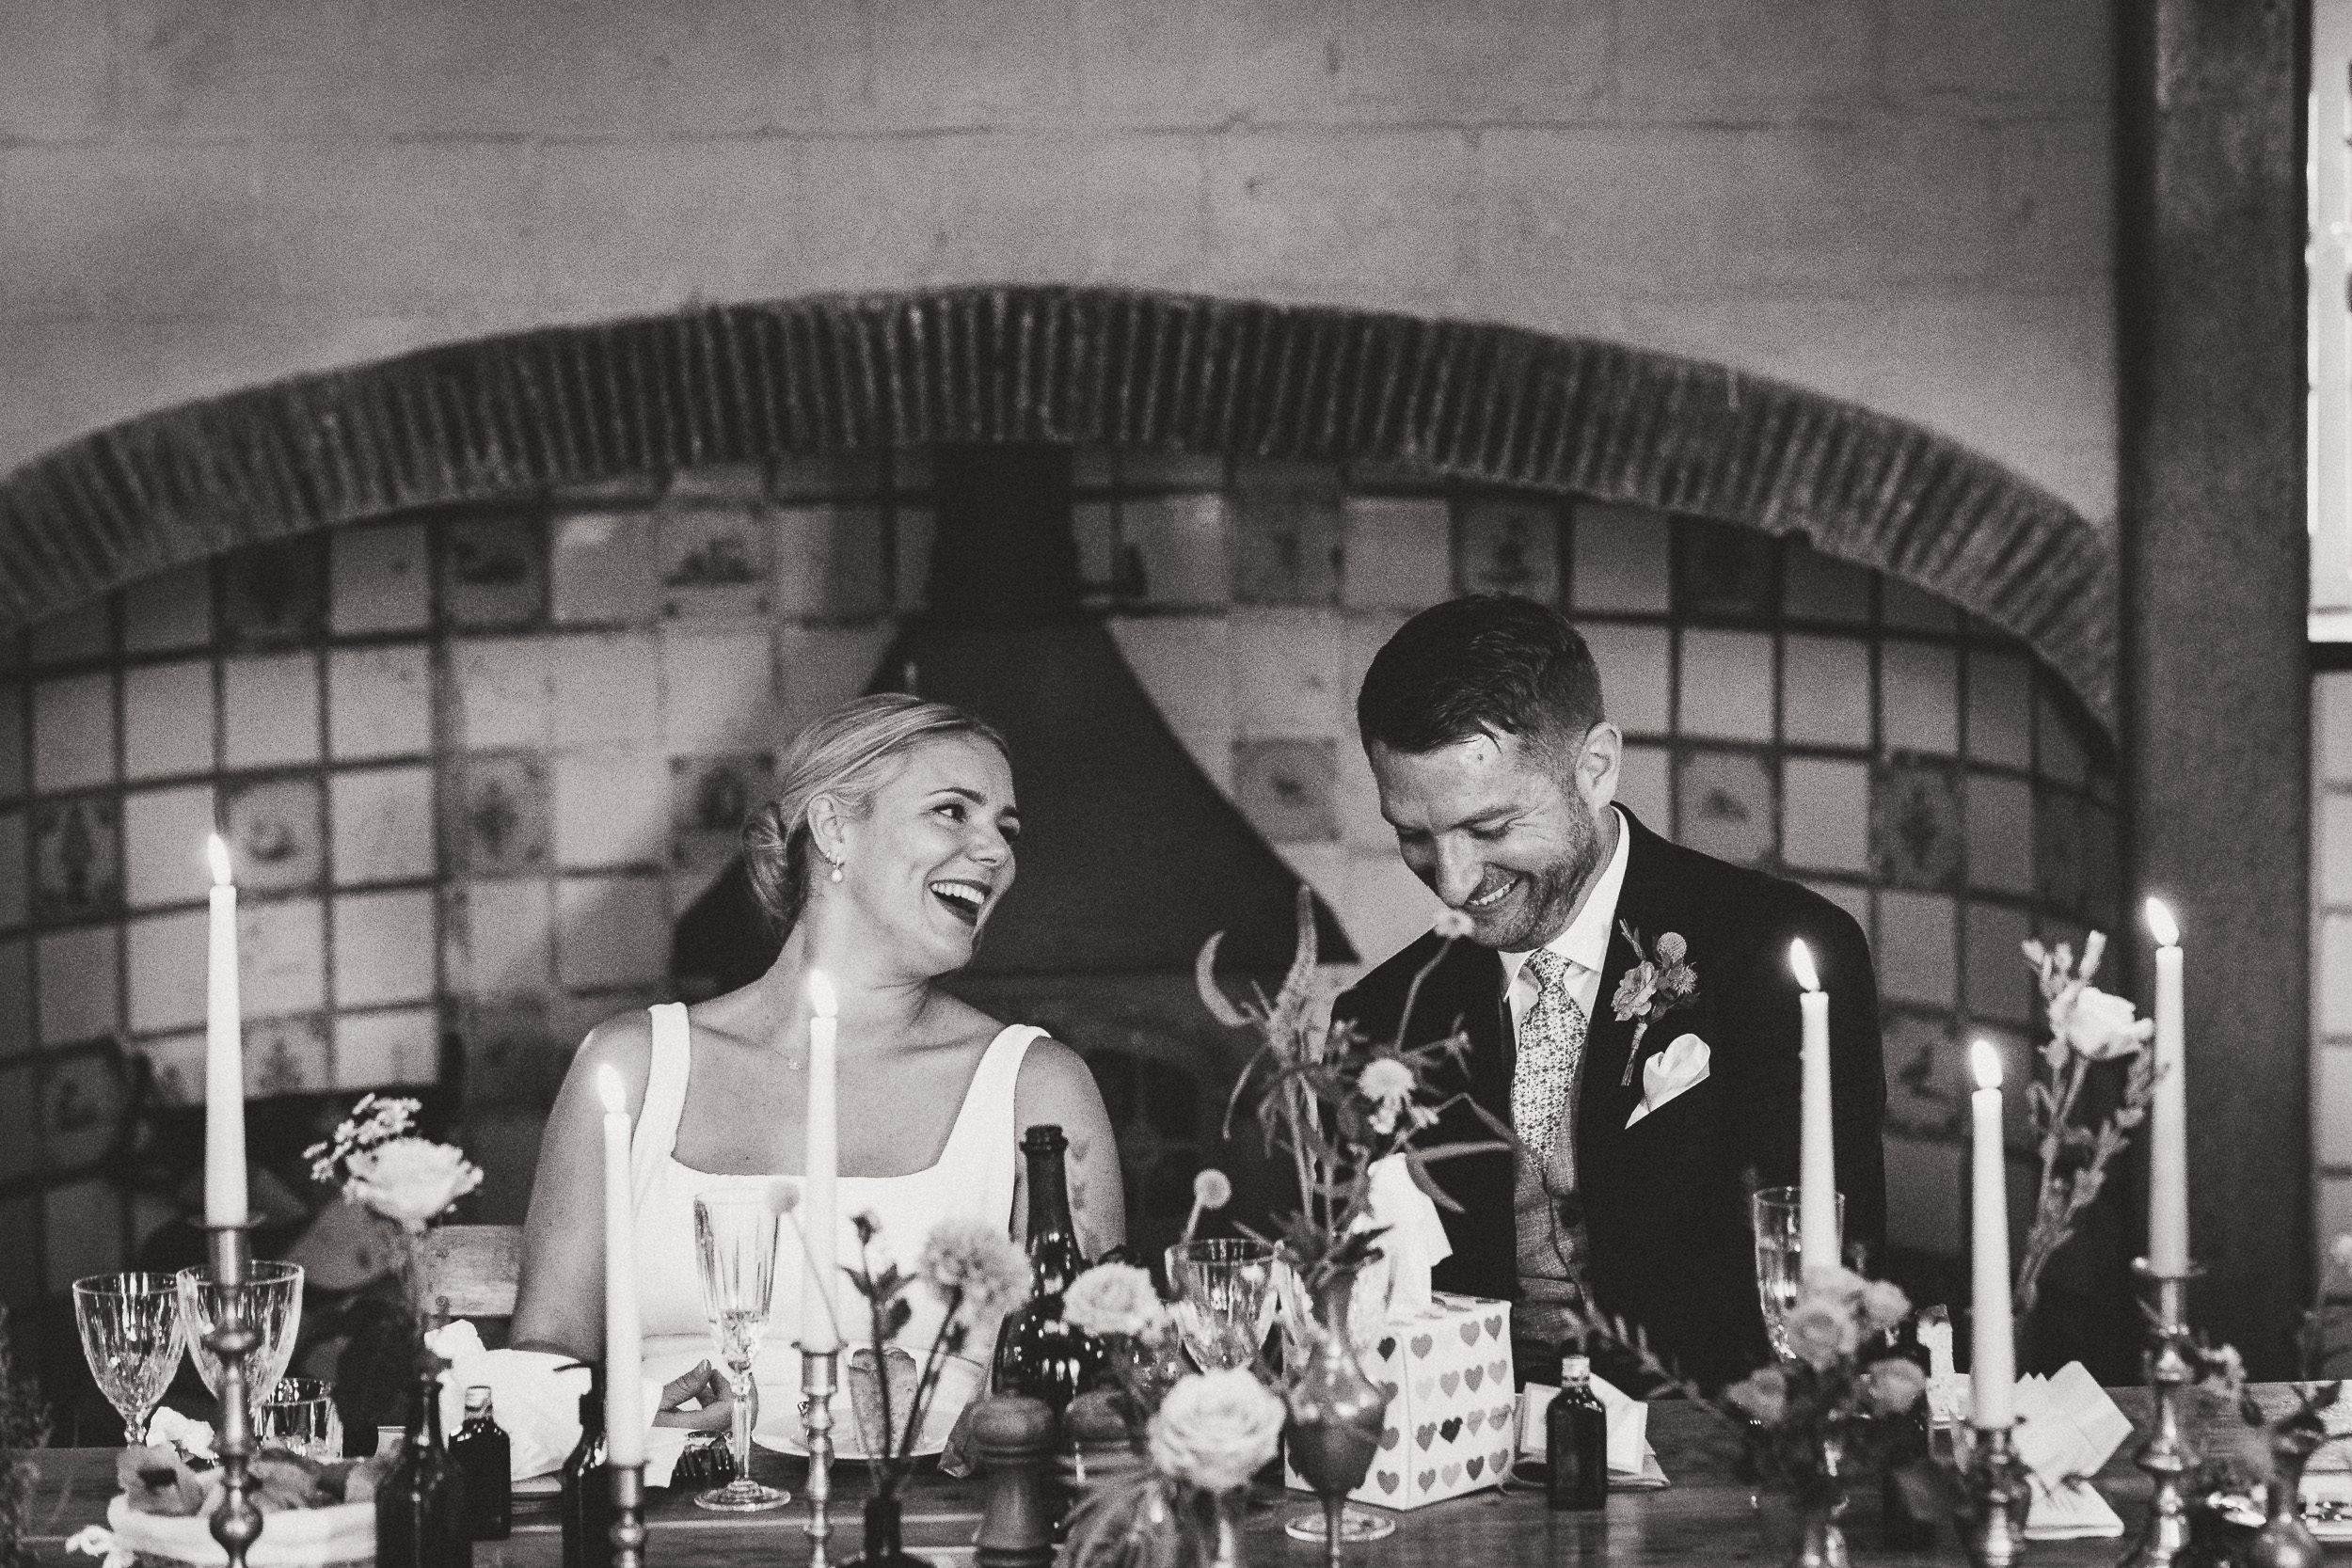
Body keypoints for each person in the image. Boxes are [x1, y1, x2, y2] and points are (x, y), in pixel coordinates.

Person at [511, 692, 1123, 1454]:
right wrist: (629, 1411)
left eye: (1005, 827)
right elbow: (548, 1354)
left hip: (929, 1523)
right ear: (835, 828)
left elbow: (1082, 1380)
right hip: (666, 1521)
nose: (996, 851)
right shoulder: (634, 1065)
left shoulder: (1036, 1085)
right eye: (952, 812)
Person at [1335, 594, 1883, 1392]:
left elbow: (1833, 1276)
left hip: (1716, 1445)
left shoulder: (1781, 959)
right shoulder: (1383, 1019)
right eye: (1414, 835)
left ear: (1595, 767)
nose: (1453, 882)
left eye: (1489, 829)